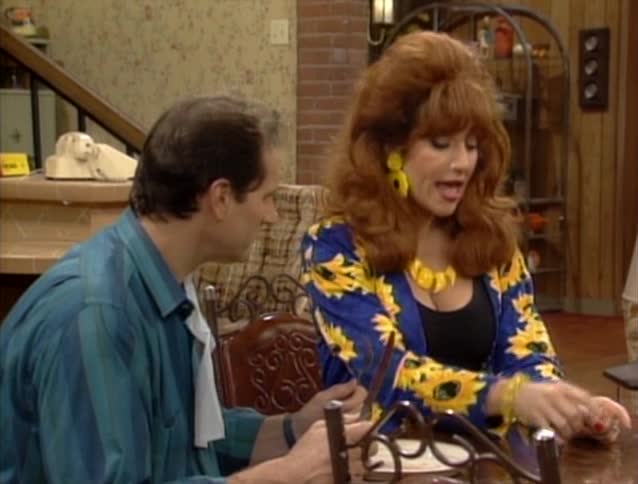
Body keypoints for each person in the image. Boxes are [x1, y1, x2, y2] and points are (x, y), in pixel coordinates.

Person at [0, 96, 371, 483]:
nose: (272, 215)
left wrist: (294, 428)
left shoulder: (165, 286)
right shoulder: (96, 315)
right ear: (221, 198)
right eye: (267, 198)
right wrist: (288, 475)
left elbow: (189, 440)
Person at [300, 31, 631, 444]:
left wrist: (566, 408)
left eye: (472, 145)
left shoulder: (493, 241)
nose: (462, 163)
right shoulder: (334, 247)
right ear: (389, 148)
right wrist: (507, 396)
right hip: (375, 462)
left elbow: (529, 356)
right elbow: (388, 377)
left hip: (495, 463)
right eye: (441, 144)